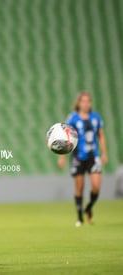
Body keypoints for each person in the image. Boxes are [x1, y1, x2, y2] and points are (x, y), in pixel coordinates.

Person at [58, 92, 108, 227]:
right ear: (79, 103)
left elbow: (101, 136)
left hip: (93, 156)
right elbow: (66, 137)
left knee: (96, 187)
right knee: (79, 187)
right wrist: (62, 156)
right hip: (78, 157)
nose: (86, 104)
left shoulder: (96, 118)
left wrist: (104, 153)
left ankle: (89, 207)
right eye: (83, 101)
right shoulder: (73, 118)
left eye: (88, 101)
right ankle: (80, 217)